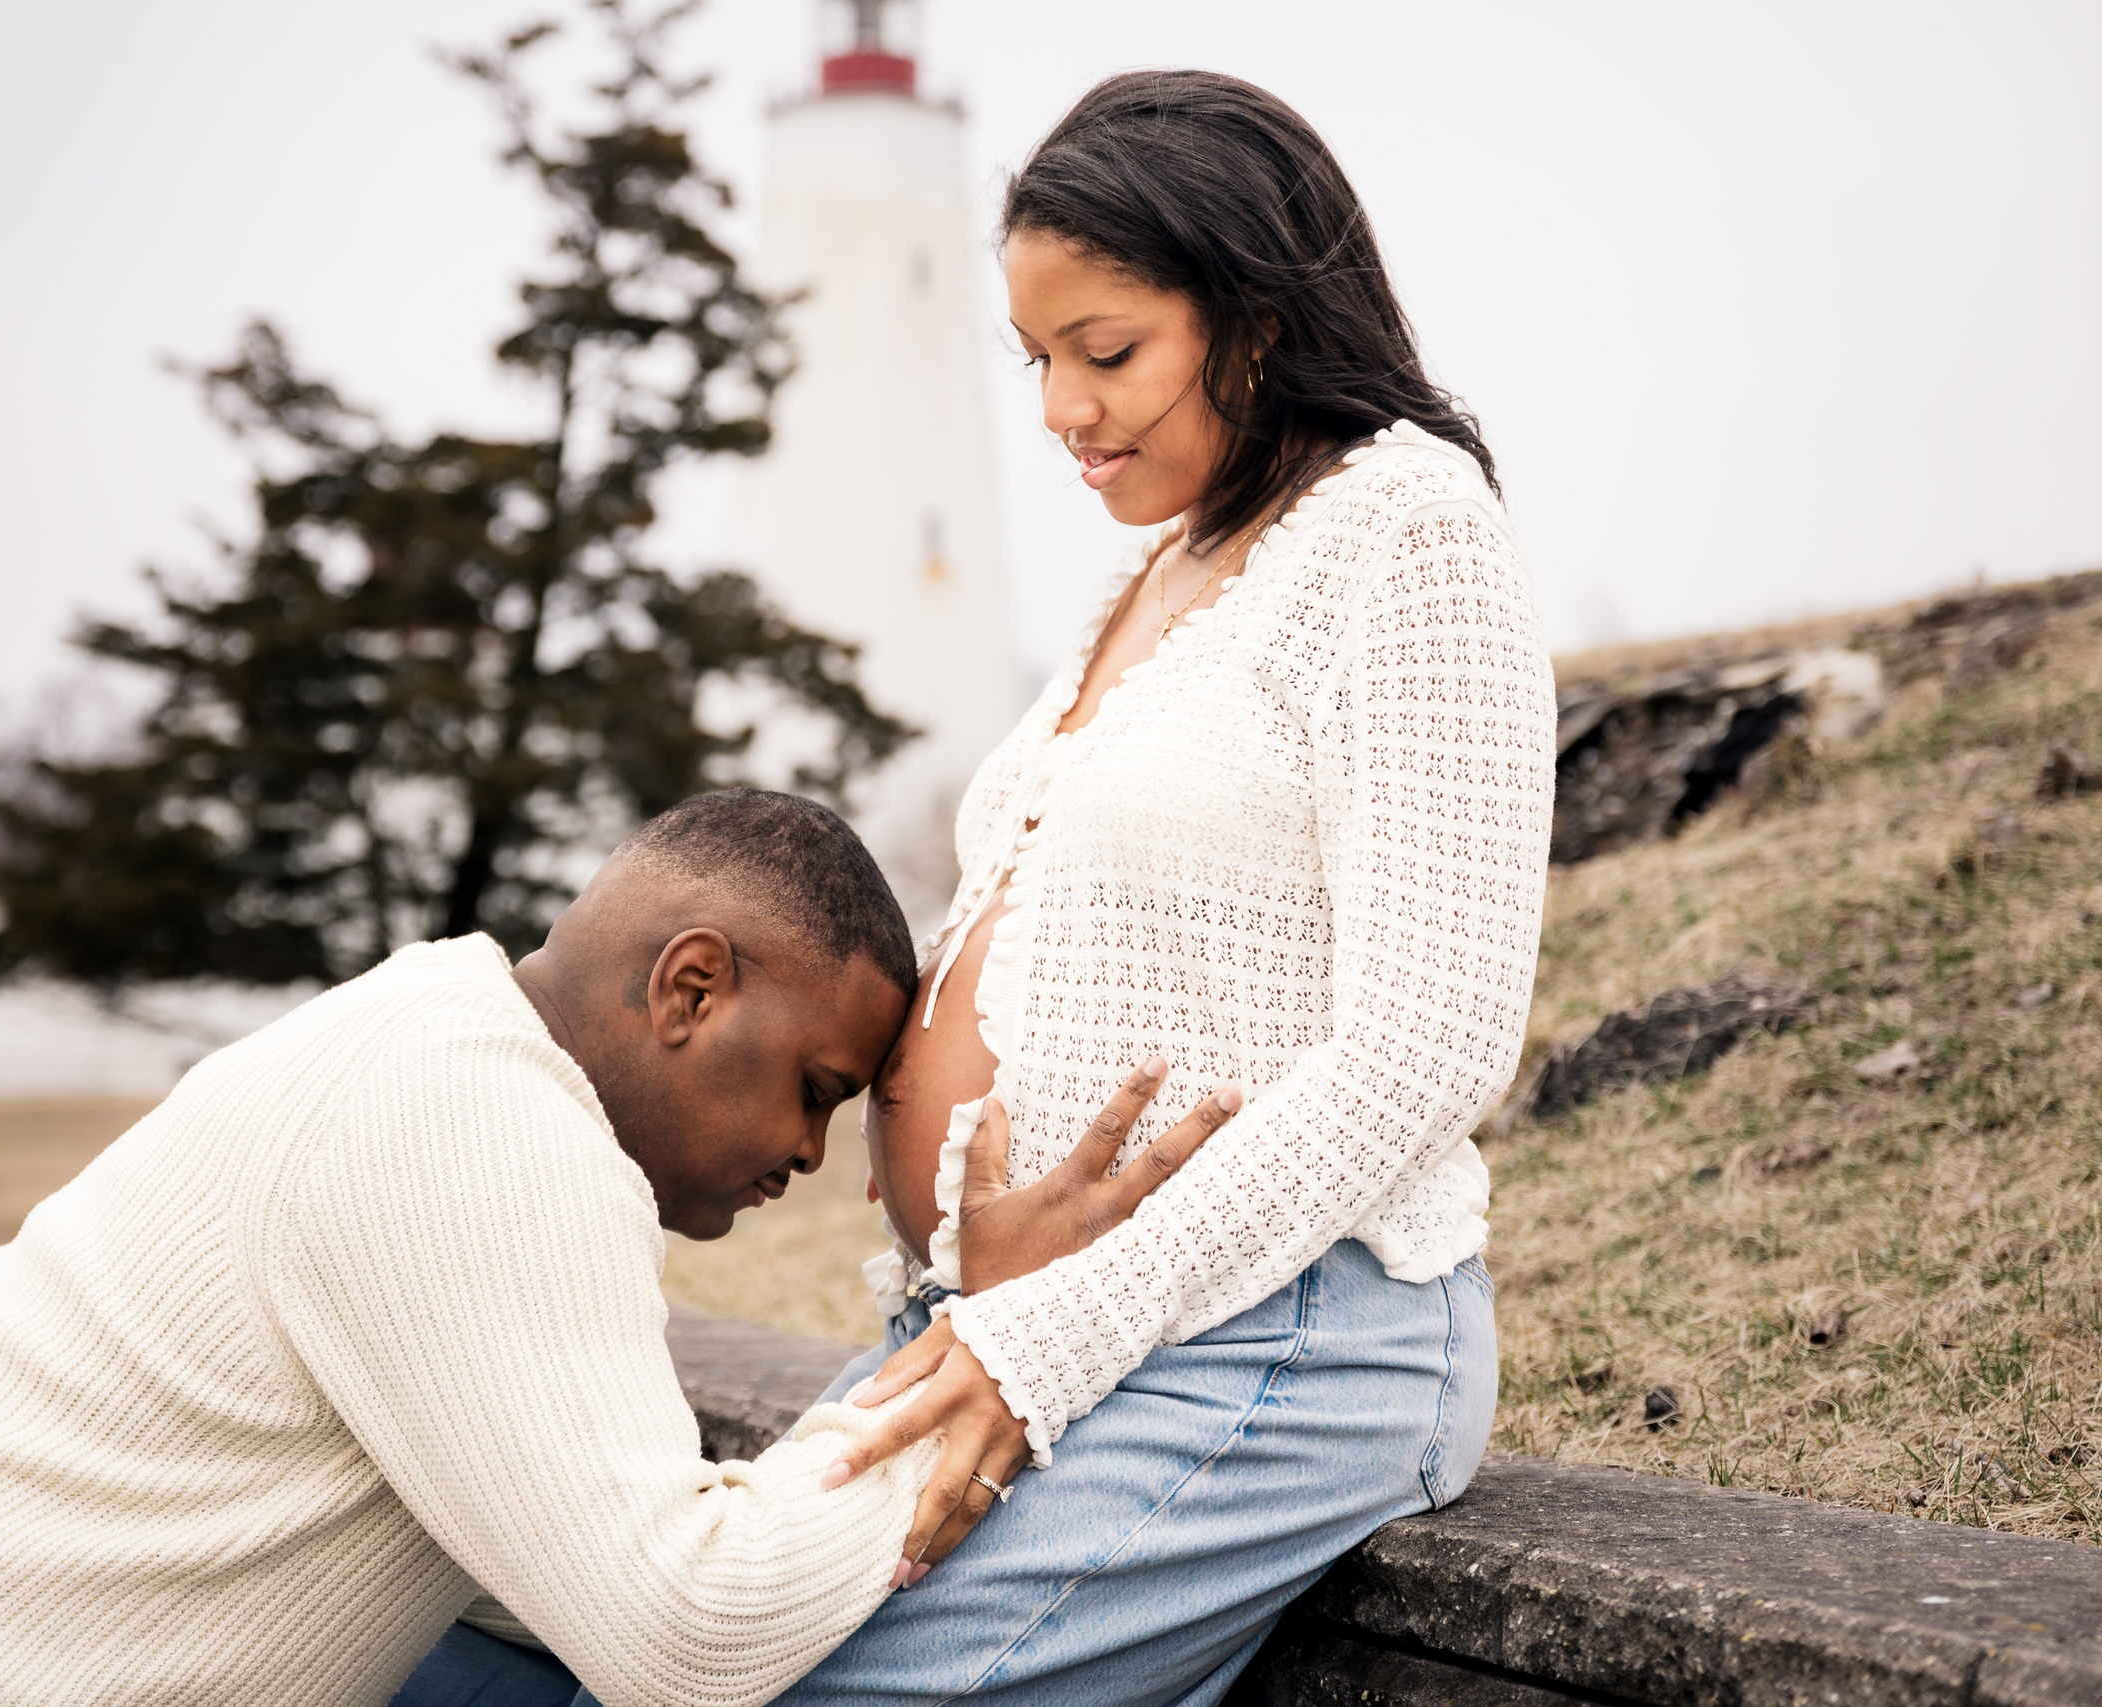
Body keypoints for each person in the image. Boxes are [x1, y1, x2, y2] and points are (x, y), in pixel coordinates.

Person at [402, 67, 1554, 1707]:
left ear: (1260, 312)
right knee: (649, 1663)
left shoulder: (1406, 530)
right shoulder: (1151, 575)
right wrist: (987, 1276)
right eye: (1037, 361)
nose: (1061, 413)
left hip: (1282, 1329)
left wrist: (1059, 1328)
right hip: (1030, 1310)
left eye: (1107, 353)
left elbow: (1427, 1044)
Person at [0, 790, 1225, 1707]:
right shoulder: (479, 1132)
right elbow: (682, 1631)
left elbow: (548, 1545)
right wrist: (991, 1344)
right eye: (814, 1090)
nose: (808, 1157)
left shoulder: (448, 1038)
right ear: (689, 987)